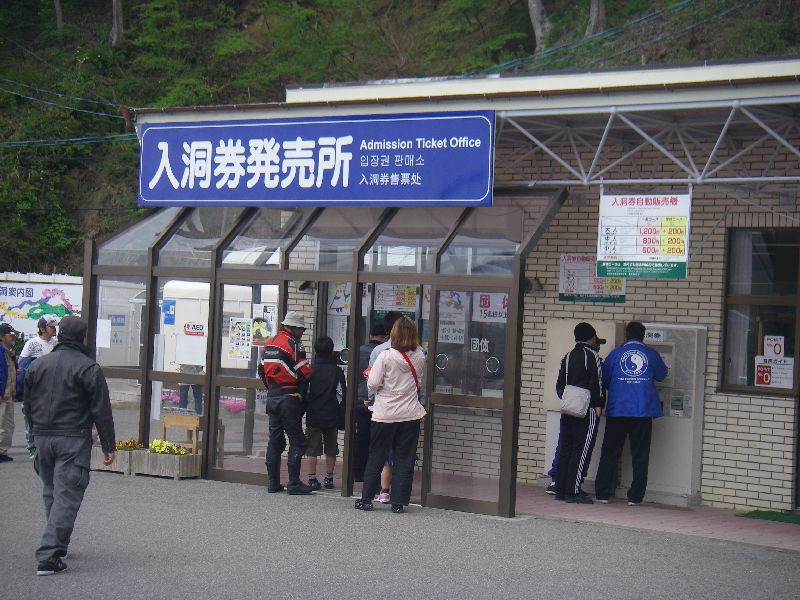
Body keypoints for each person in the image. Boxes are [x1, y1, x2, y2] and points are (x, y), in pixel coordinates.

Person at [23, 316, 116, 576]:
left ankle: (58, 546)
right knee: (66, 495)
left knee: (52, 491)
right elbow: (101, 410)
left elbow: (27, 406)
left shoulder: (38, 365)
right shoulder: (88, 368)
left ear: (59, 334)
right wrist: (108, 445)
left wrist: (32, 439)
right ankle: (49, 555)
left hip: (42, 436)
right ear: (83, 337)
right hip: (73, 438)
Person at [355, 316, 426, 514]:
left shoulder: (385, 356)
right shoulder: (420, 356)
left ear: (393, 334)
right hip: (410, 414)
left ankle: (367, 499)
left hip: (385, 414)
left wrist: (371, 378)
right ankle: (398, 502)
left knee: (376, 456)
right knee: (405, 458)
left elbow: (373, 384)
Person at [594, 321, 668, 506]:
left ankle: (602, 494)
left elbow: (605, 379)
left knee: (610, 453)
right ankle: (635, 497)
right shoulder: (651, 354)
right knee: (640, 455)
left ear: (626, 335)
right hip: (643, 411)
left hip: (618, 410)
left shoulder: (615, 354)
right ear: (643, 336)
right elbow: (662, 375)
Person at [260, 310, 313, 495]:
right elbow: (305, 373)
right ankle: (294, 483)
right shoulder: (294, 345)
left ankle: (273, 483)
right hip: (289, 398)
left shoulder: (269, 343)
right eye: (302, 330)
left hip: (272, 397)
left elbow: (262, 371)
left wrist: (273, 388)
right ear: (294, 328)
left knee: (275, 441)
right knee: (298, 441)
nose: (302, 333)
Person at [554, 322, 605, 504]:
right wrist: (598, 404)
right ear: (591, 338)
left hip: (568, 407)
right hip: (586, 408)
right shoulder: (592, 356)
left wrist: (568, 399)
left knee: (566, 448)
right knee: (581, 449)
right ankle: (573, 491)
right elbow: (597, 382)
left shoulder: (568, 356)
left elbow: (560, 384)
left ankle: (561, 489)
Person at [367, 311, 404, 503]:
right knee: (402, 454)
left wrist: (370, 399)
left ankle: (380, 491)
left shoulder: (379, 351)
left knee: (381, 452)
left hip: (383, 410)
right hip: (407, 412)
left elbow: (372, 381)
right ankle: (399, 496)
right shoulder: (418, 352)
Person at [304, 336, 346, 490]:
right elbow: (341, 394)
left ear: (315, 352)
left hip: (313, 414)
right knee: (331, 448)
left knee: (312, 449)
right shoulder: (337, 371)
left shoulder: (310, 370)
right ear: (332, 352)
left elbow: (305, 392)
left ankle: (312, 478)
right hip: (331, 414)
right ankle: (329, 478)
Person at [18, 317, 59, 456]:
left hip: (52, 387)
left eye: (54, 326)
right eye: (51, 326)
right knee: (30, 417)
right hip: (34, 388)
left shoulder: (56, 343)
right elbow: (21, 363)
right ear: (42, 329)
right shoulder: (32, 343)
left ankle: (48, 447)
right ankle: (32, 447)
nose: (54, 329)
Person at [353, 322, 388, 482]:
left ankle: (357, 472)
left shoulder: (358, 351)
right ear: (386, 337)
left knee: (361, 437)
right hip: (377, 402)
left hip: (359, 399)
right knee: (377, 439)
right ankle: (375, 474)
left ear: (370, 336)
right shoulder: (384, 352)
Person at [0, 322, 20, 462]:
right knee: (1, 424)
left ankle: (2, 451)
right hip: (2, 395)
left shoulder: (9, 352)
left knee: (8, 425)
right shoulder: (1, 352)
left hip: (9, 395)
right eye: (10, 335)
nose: (13, 337)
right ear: (2, 337)